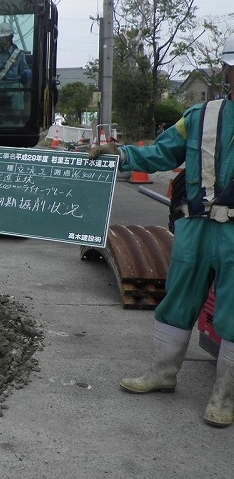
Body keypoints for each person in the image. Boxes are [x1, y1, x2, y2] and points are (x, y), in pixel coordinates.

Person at [88, 36, 234, 427]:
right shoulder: (201, 115)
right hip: (196, 226)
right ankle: (162, 373)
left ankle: (224, 396)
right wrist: (121, 154)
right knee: (179, 299)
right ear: (226, 70)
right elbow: (161, 152)